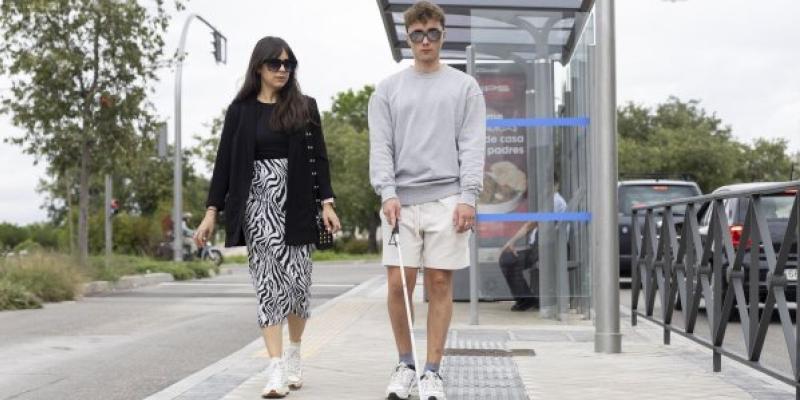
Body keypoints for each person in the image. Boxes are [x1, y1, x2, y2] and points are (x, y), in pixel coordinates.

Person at [193, 36, 341, 399]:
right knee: (268, 287)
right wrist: (211, 212)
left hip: (299, 204)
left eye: (288, 64)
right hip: (257, 205)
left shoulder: (305, 107)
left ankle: (293, 351)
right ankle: (274, 367)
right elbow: (224, 164)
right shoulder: (240, 110)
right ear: (258, 66)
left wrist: (327, 202)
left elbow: (318, 159)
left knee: (298, 289)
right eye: (275, 64)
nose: (282, 70)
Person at [368, 2, 486, 399]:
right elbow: (381, 146)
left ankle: (432, 370)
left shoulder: (464, 86)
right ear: (408, 37)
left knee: (439, 281)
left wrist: (469, 196)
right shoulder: (388, 90)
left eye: (432, 33)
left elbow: (472, 144)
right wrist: (387, 191)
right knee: (399, 283)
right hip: (400, 200)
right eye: (417, 34)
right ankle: (405, 363)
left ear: (442, 35)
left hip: (448, 198)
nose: (425, 41)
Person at [499, 190, 567, 312]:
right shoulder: (551, 200)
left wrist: (511, 242)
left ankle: (526, 299)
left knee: (508, 260)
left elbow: (531, 224)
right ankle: (526, 299)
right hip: (540, 247)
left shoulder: (555, 201)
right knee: (508, 259)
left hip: (547, 248)